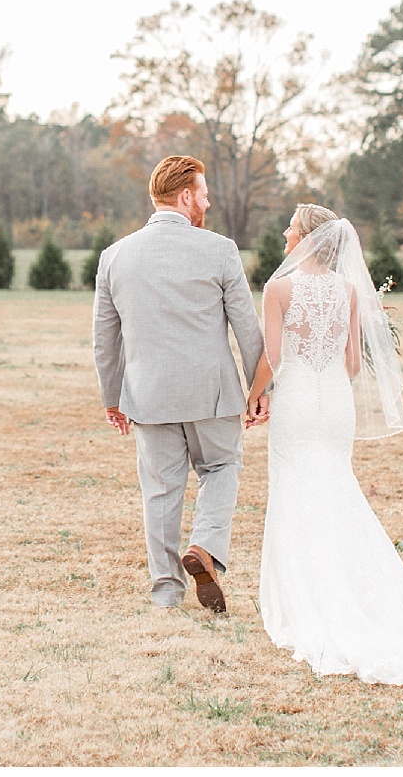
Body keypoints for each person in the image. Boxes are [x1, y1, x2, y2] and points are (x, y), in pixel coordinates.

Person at [245, 203, 403, 686]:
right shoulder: (346, 291)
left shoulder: (279, 290)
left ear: (308, 239)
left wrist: (254, 396)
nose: (284, 232)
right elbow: (353, 364)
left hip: (298, 401)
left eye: (291, 228)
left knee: (297, 493)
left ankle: (309, 598)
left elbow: (273, 358)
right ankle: (352, 588)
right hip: (335, 403)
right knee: (335, 490)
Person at [92, 155, 263, 612]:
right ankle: (204, 547)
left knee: (161, 491)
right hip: (213, 393)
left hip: (148, 396)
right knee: (222, 469)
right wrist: (260, 390)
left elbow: (105, 341)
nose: (207, 202)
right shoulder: (220, 249)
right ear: (186, 196)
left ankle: (166, 592)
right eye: (204, 194)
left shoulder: (115, 256)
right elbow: (247, 327)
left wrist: (112, 398)